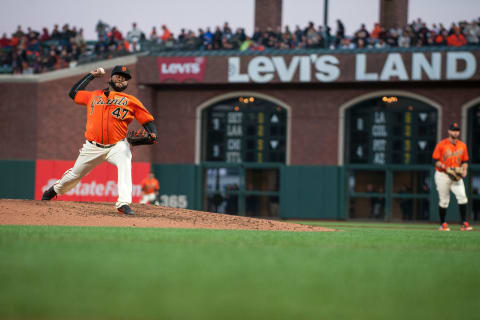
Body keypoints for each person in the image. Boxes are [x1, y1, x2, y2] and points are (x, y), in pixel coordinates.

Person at [41, 65, 158, 215]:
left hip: (117, 146)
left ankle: (123, 203)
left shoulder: (131, 101)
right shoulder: (93, 95)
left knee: (125, 163)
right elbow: (73, 93)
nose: (121, 80)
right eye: (118, 76)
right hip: (92, 146)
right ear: (110, 78)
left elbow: (148, 121)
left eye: (125, 79)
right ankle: (53, 190)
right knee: (74, 175)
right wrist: (91, 75)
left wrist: (153, 134)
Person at [432, 122, 473, 231]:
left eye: (457, 130)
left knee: (463, 197)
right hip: (443, 175)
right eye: (454, 130)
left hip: (456, 175)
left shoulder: (462, 145)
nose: (456, 132)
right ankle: (442, 224)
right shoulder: (441, 144)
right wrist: (444, 166)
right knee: (444, 200)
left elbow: (465, 161)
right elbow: (435, 161)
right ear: (449, 131)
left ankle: (464, 223)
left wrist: (464, 169)